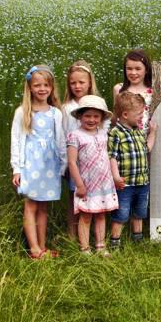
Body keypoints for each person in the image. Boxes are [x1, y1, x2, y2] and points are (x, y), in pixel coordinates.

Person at [10, 65, 66, 259]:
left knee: (43, 206)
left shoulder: (55, 113)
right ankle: (34, 249)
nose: (42, 89)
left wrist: (63, 164)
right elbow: (16, 141)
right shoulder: (23, 112)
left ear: (51, 87)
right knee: (30, 205)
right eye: (37, 85)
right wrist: (17, 168)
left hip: (50, 165)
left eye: (46, 85)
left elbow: (60, 141)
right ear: (30, 87)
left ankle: (42, 247)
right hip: (30, 165)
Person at [66, 95, 118, 256]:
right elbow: (72, 162)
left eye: (96, 116)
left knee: (101, 214)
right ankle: (85, 248)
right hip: (86, 183)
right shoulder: (75, 135)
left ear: (101, 118)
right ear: (80, 116)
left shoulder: (103, 134)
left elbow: (108, 156)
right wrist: (79, 184)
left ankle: (100, 245)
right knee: (86, 216)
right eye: (87, 116)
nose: (91, 119)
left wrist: (114, 177)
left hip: (104, 183)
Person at [108, 91, 157, 249]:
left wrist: (153, 133)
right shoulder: (116, 133)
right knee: (121, 214)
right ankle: (115, 242)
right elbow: (112, 157)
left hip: (142, 182)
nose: (142, 117)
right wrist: (116, 177)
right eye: (139, 114)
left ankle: (138, 239)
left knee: (139, 212)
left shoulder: (138, 131)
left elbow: (147, 149)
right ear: (125, 114)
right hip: (125, 184)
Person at [61, 60, 104, 240]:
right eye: (73, 83)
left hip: (95, 161)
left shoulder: (97, 104)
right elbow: (63, 136)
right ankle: (72, 235)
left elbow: (103, 131)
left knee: (95, 197)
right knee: (75, 198)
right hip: (75, 162)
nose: (77, 86)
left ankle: (94, 236)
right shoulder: (67, 108)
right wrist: (64, 164)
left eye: (81, 82)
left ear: (89, 82)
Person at [113, 50, 154, 135]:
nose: (133, 72)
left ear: (146, 70)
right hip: (124, 136)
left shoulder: (152, 91)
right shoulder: (119, 89)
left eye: (138, 69)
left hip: (147, 136)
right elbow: (116, 115)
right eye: (129, 69)